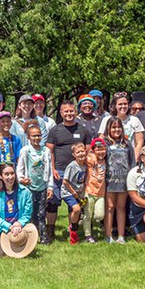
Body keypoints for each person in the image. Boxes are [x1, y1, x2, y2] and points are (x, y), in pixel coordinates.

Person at [46, 101, 94, 243]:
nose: (69, 114)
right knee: (53, 202)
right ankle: (50, 231)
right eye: (66, 111)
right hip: (59, 172)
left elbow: (88, 151)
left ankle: (72, 230)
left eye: (71, 111)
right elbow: (50, 152)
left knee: (74, 204)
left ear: (75, 111)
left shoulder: (82, 129)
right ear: (61, 113)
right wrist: (53, 169)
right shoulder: (55, 130)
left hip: (77, 173)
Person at [0, 163, 37, 258]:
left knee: (24, 253)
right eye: (6, 174)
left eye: (12, 173)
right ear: (0, 176)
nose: (10, 177)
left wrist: (18, 224)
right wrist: (9, 227)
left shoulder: (25, 192)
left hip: (19, 229)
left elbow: (27, 214)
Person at [16, 123, 53, 243]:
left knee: (41, 213)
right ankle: (29, 236)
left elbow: (50, 171)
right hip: (29, 187)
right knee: (29, 212)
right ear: (28, 137)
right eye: (33, 136)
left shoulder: (46, 151)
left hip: (42, 186)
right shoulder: (25, 151)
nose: (36, 138)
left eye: (38, 135)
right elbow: (19, 168)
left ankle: (43, 236)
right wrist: (21, 179)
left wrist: (50, 187)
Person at [103, 117, 134, 243]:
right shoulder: (104, 143)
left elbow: (132, 161)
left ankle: (121, 236)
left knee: (121, 207)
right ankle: (109, 235)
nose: (116, 130)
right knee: (109, 207)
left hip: (124, 181)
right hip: (109, 180)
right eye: (113, 127)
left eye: (118, 127)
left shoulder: (127, 143)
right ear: (108, 129)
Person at [98, 92, 144, 159]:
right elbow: (101, 139)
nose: (123, 106)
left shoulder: (135, 120)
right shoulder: (106, 119)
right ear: (115, 106)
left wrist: (135, 159)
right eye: (120, 104)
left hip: (128, 157)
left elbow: (139, 142)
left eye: (125, 104)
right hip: (110, 157)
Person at [61, 143, 88, 244]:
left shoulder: (85, 165)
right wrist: (73, 192)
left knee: (74, 212)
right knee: (77, 209)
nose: (81, 154)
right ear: (74, 154)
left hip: (79, 192)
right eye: (78, 152)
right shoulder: (72, 166)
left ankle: (73, 231)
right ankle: (73, 229)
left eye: (82, 151)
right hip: (68, 192)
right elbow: (65, 181)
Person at [82, 138, 108, 243]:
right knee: (87, 215)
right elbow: (82, 157)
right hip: (89, 192)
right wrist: (91, 154)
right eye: (98, 149)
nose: (101, 152)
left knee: (100, 215)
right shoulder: (90, 159)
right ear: (93, 150)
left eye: (103, 149)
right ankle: (87, 235)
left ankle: (92, 224)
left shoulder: (106, 161)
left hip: (101, 193)